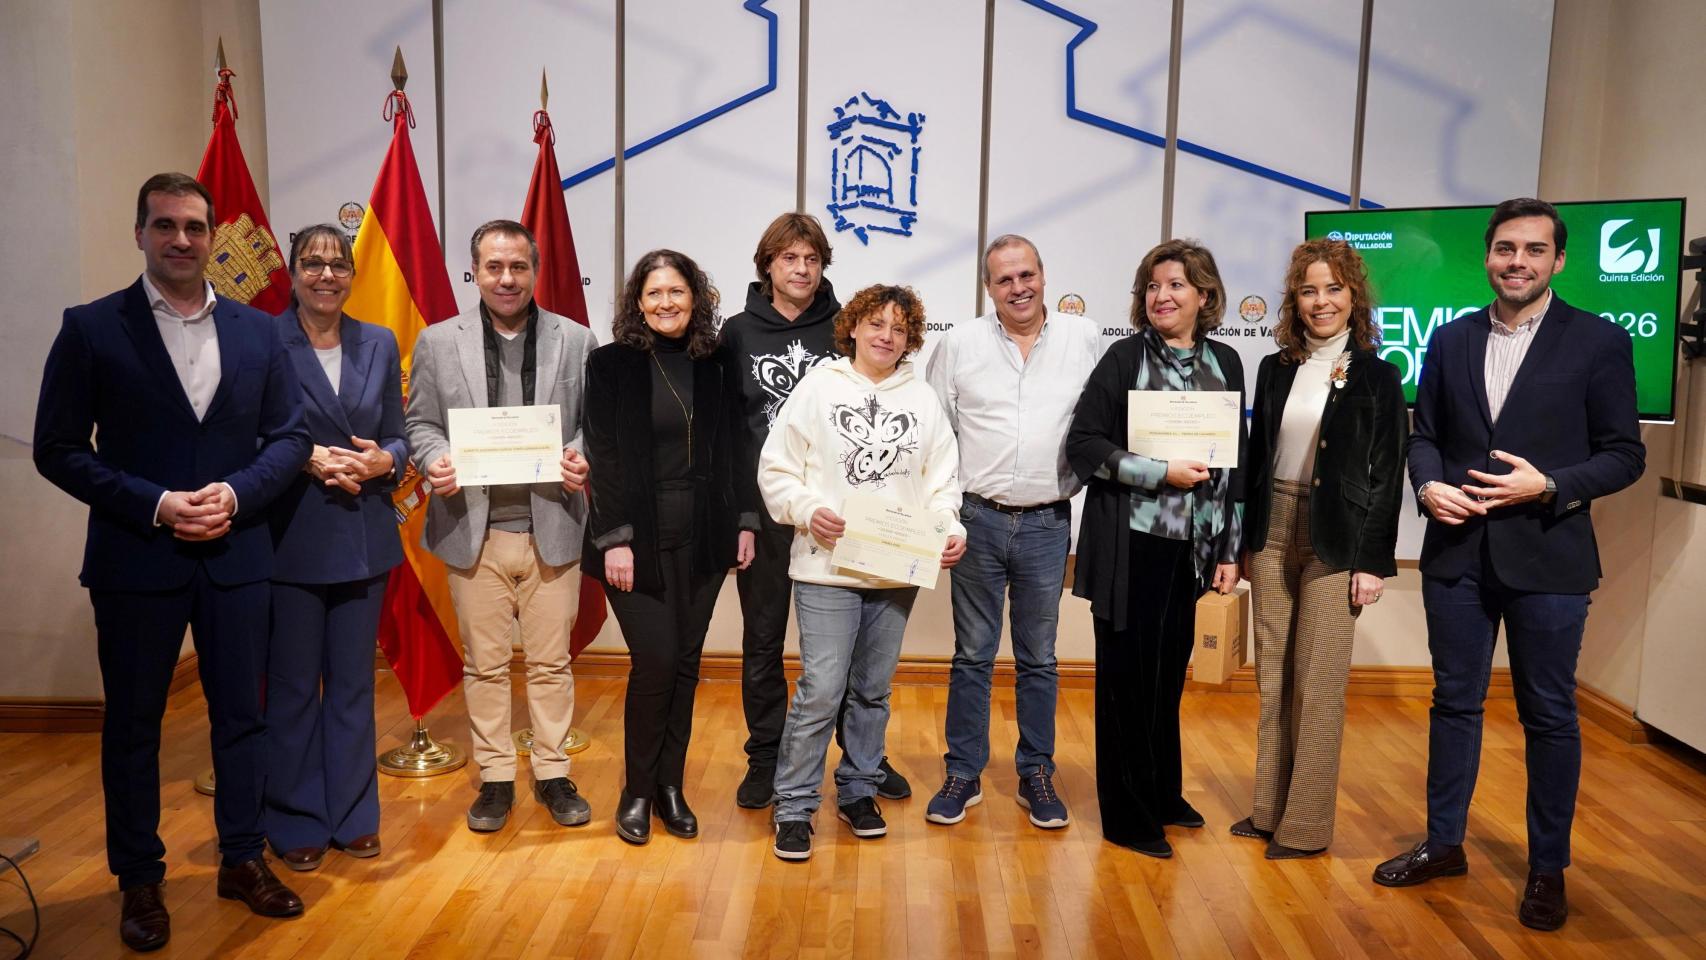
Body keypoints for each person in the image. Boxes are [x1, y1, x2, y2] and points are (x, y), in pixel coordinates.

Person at [34, 172, 312, 951]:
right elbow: (57, 448)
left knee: (243, 720)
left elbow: (291, 437)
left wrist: (236, 492)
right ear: (140, 234)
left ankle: (242, 859)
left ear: (213, 236)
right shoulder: (91, 328)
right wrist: (155, 503)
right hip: (136, 559)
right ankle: (140, 880)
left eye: (194, 226)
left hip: (236, 553)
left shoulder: (261, 332)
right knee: (132, 728)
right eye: (165, 226)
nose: (181, 240)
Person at [1373, 199, 1644, 930]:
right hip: (1457, 555)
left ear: (1558, 260)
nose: (1517, 261)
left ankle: (1548, 869)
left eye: (1533, 249)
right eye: (1505, 248)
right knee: (1453, 702)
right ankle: (1443, 844)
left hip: (1550, 558)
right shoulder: (1451, 338)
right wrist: (1426, 486)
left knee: (1549, 714)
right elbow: (1425, 436)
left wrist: (1548, 484)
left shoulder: (1599, 341)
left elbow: (1625, 455)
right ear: (1488, 256)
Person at [404, 219, 598, 834]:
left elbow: (595, 423)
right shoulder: (438, 342)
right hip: (473, 531)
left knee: (551, 664)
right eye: (494, 267)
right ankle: (495, 778)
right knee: (484, 665)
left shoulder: (577, 340)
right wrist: (434, 457)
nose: (506, 278)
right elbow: (419, 423)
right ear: (475, 272)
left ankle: (552, 772)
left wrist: (582, 453)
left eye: (518, 266)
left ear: (534, 271)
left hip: (553, 528)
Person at [759, 285, 966, 861]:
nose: (886, 336)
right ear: (852, 327)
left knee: (873, 690)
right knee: (822, 689)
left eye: (899, 329)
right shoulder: (819, 387)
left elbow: (942, 480)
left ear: (910, 339)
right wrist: (807, 510)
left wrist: (950, 528)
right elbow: (776, 469)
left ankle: (857, 790)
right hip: (826, 567)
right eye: (876, 324)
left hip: (895, 571)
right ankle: (794, 805)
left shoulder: (922, 398)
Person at [721, 212, 911, 807]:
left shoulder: (848, 328)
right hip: (765, 518)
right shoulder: (736, 333)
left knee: (848, 652)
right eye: (789, 258)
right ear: (768, 265)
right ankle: (766, 756)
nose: (801, 269)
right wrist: (742, 518)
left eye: (812, 259)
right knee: (762, 640)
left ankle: (863, 757)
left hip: (842, 521)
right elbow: (727, 435)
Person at [1065, 238, 1245, 859]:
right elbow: (1084, 445)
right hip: (1133, 547)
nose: (1161, 296)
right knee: (1127, 684)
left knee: (1167, 679)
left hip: (1194, 552)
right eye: (1152, 286)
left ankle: (1163, 794)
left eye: (1175, 285)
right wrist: (1156, 472)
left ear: (1204, 295)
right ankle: (1127, 816)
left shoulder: (1226, 362)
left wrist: (1230, 550)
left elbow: (1234, 466)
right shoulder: (1125, 358)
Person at [923, 234, 1103, 829]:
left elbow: (1102, 425)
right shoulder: (960, 344)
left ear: (1044, 276)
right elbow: (936, 435)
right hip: (977, 519)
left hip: (1048, 523)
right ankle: (963, 771)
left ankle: (1036, 772)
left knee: (1039, 658)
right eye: (1004, 279)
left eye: (1026, 275)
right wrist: (944, 517)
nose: (1018, 288)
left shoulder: (1085, 338)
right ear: (988, 287)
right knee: (972, 655)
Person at [1234, 239, 1406, 859]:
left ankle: (1304, 830)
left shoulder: (1379, 376)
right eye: (1309, 290)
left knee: (1319, 684)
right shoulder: (1274, 367)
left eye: (1333, 288)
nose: (1321, 301)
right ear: (1294, 300)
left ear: (1353, 296)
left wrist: (1372, 562)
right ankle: (1268, 811)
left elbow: (1387, 474)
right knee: (1274, 677)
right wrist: (1245, 539)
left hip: (1339, 538)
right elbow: (1255, 460)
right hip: (1273, 528)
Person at [583, 250, 755, 844]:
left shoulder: (717, 361)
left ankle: (670, 787)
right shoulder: (610, 364)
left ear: (695, 298)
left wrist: (745, 521)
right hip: (635, 539)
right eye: (654, 293)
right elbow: (603, 456)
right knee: (655, 661)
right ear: (638, 301)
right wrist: (615, 539)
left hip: (704, 536)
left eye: (677, 291)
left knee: (684, 664)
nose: (666, 303)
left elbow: (735, 448)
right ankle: (636, 790)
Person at [264, 224, 408, 870]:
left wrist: (385, 461)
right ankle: (296, 817)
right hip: (289, 534)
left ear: (352, 274)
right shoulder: (262, 339)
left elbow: (399, 436)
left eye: (338, 264)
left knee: (352, 686)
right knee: (294, 687)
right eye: (312, 263)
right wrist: (306, 456)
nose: (326, 275)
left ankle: (353, 816)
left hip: (363, 534)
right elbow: (247, 432)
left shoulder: (379, 340)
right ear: (293, 271)